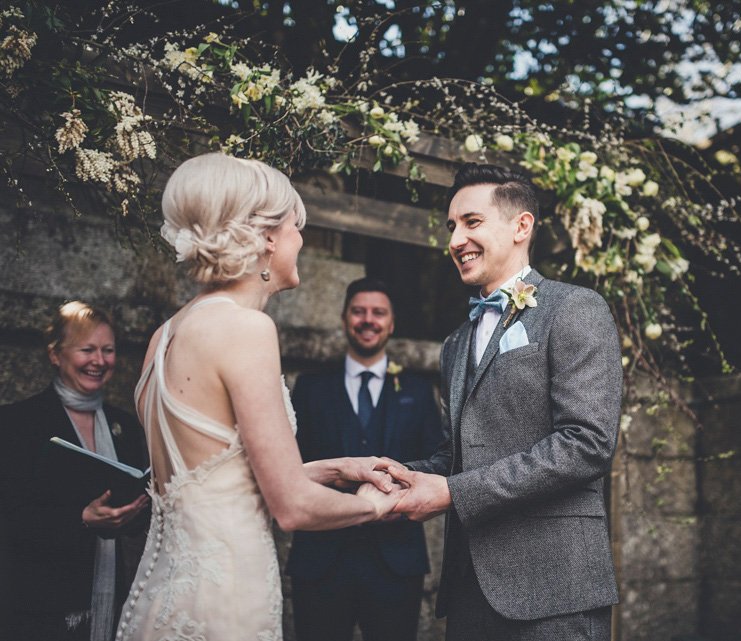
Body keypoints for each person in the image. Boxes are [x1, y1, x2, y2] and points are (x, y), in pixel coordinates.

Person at [116, 153, 403, 641]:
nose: (301, 239)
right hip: (225, 595)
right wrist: (375, 507)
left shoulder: (165, 334)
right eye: (296, 226)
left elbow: (220, 480)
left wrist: (338, 469)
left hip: (162, 593)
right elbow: (290, 505)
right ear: (267, 237)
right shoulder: (246, 328)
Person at [388, 163, 623, 640]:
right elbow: (457, 455)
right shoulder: (455, 343)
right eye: (451, 226)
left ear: (521, 226)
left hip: (555, 592)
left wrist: (454, 493)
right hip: (469, 591)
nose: (455, 240)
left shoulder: (575, 308)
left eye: (471, 222)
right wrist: (393, 475)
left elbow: (586, 444)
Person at [287, 277, 444, 641]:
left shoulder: (419, 391)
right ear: (344, 319)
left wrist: (397, 487)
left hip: (396, 562)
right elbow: (291, 462)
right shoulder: (310, 387)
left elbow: (438, 460)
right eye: (359, 311)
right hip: (320, 560)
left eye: (378, 313)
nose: (368, 320)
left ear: (391, 323)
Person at [0, 301, 150, 641]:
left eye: (108, 350)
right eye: (87, 350)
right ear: (56, 355)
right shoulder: (18, 422)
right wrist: (82, 519)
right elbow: (9, 517)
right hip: (41, 607)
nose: (99, 361)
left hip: (112, 602)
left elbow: (135, 509)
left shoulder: (122, 425)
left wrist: (139, 510)